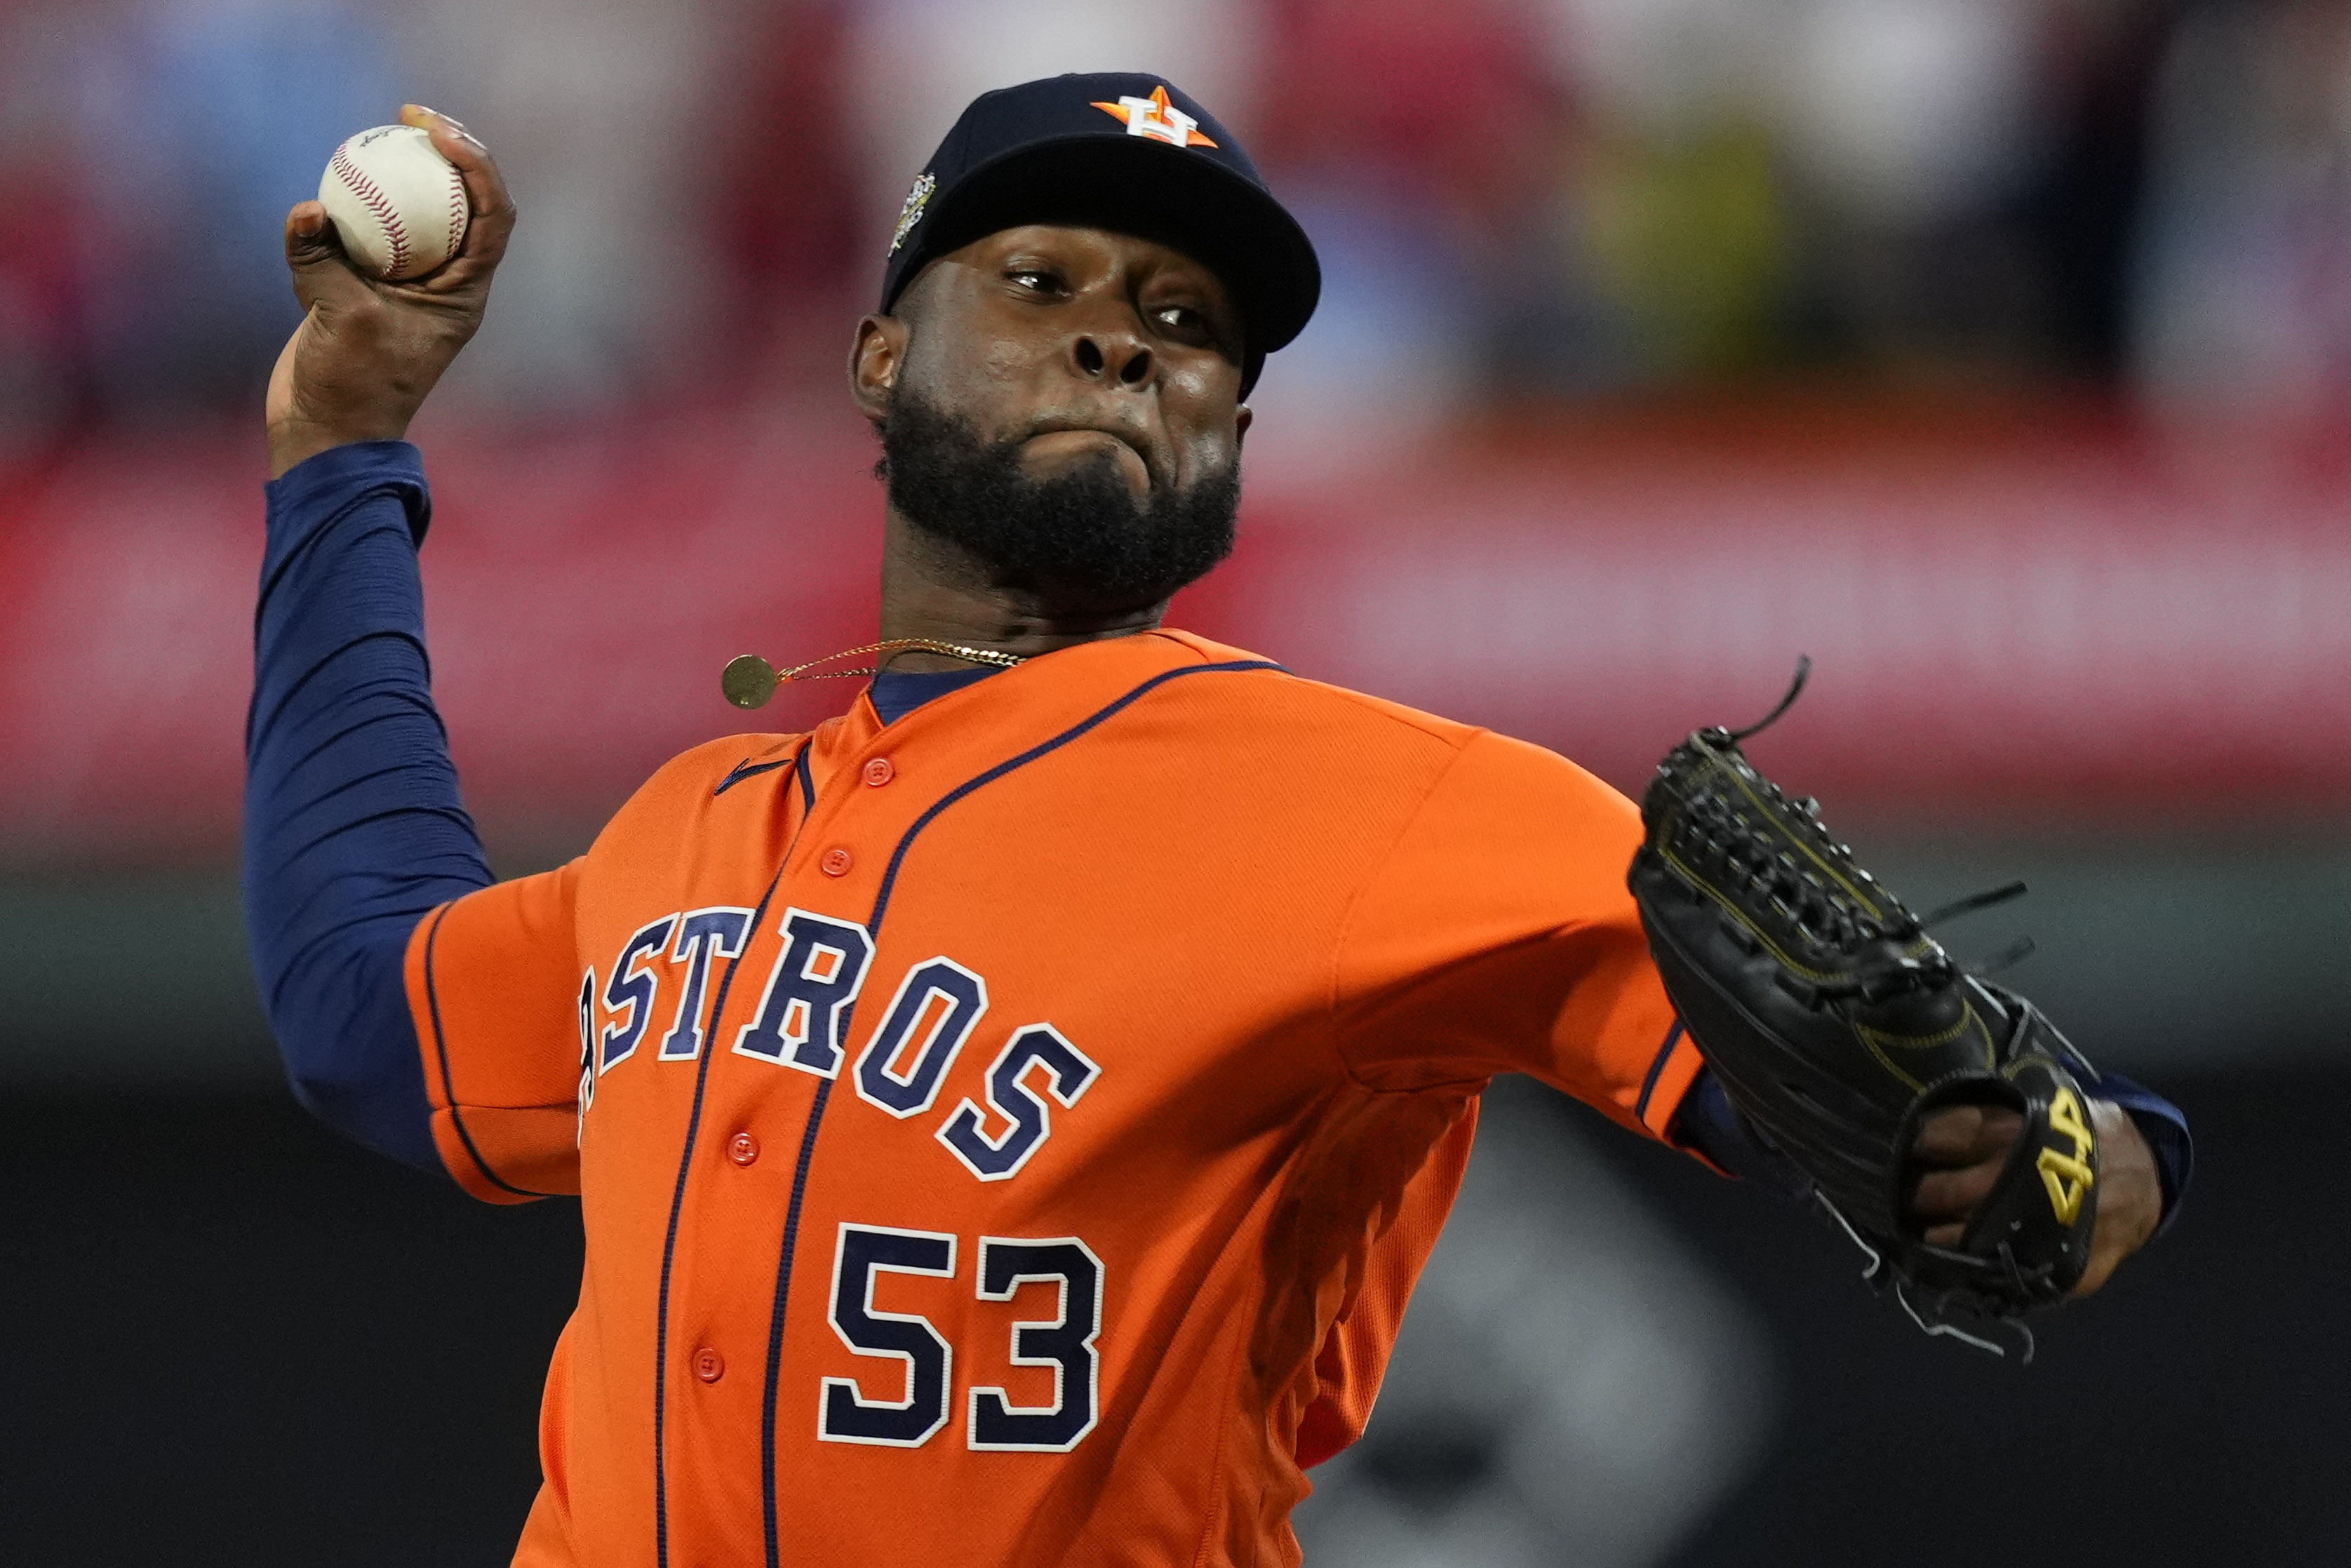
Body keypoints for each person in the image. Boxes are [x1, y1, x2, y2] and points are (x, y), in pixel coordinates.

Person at [246, 82, 2190, 1568]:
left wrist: (2087, 1161)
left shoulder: (1389, 805)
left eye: (1187, 318)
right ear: (879, 357)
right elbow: (366, 1010)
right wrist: (343, 451)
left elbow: (1915, 1100)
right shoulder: (688, 828)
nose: (1126, 336)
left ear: (1238, 442)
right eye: (1041, 282)